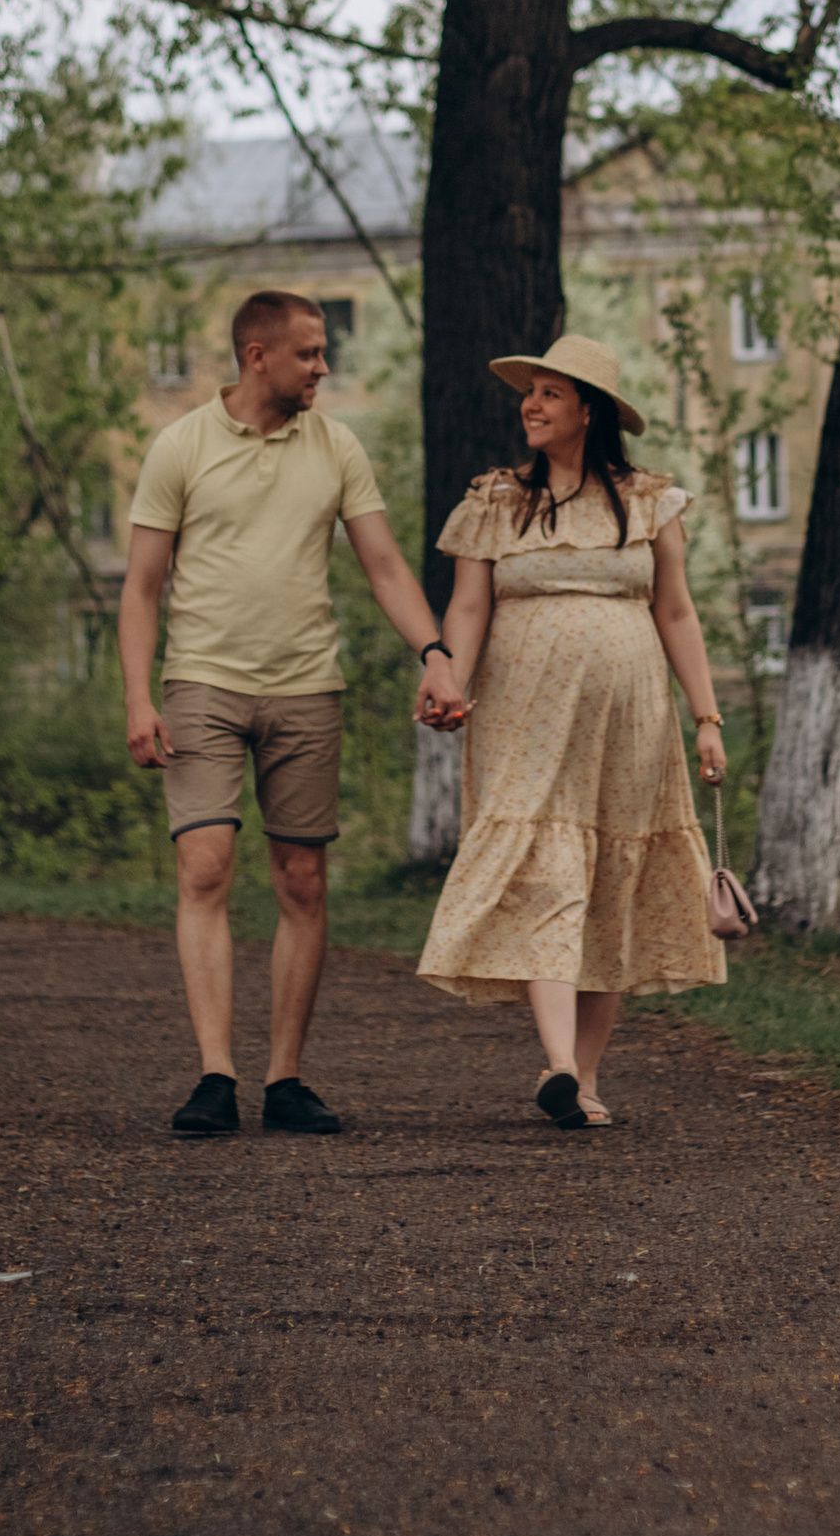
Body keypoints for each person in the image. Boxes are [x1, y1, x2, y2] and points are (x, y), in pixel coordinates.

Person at [120, 289, 467, 1137]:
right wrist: (137, 697)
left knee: (302, 880)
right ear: (257, 356)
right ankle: (215, 1076)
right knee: (205, 868)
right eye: (309, 353)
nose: (323, 366)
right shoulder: (181, 446)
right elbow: (141, 586)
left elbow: (384, 565)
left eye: (322, 352)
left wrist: (434, 654)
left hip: (308, 687)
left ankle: (285, 1080)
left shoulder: (337, 445)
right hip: (202, 683)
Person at [412, 333, 729, 1129]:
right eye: (531, 392)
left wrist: (707, 718)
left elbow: (676, 613)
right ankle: (557, 1063)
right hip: (524, 720)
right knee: (545, 875)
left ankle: (582, 1079)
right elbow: (470, 606)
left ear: (590, 411)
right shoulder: (497, 500)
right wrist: (449, 678)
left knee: (611, 883)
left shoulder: (650, 501)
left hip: (630, 724)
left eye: (550, 393)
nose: (532, 404)